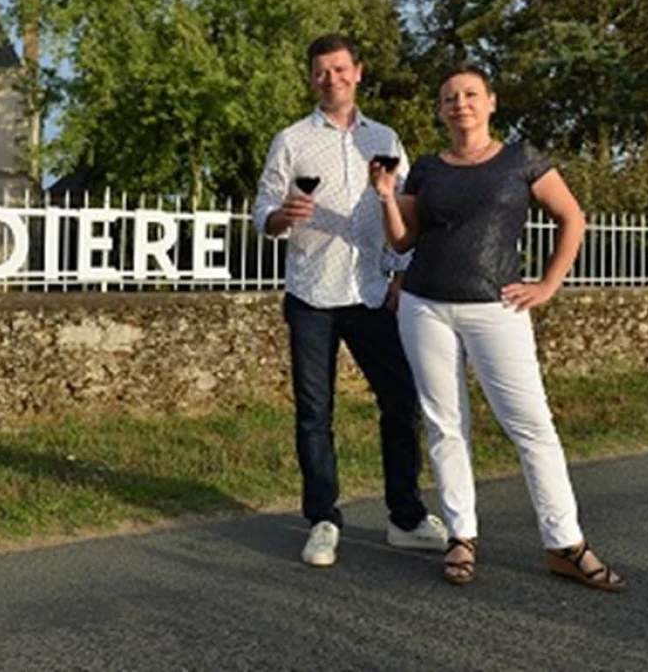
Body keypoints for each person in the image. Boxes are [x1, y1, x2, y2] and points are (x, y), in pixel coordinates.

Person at [368, 64, 625, 591]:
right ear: (440, 111)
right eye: (448, 98)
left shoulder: (521, 159)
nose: (458, 103)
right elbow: (401, 242)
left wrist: (548, 285)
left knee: (531, 425)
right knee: (445, 424)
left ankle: (565, 543)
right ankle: (461, 536)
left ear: (491, 101)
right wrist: (386, 197)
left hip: (497, 307)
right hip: (425, 305)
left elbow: (572, 218)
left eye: (469, 95)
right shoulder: (428, 168)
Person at [254, 33, 446, 567]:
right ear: (311, 78)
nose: (331, 79)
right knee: (315, 413)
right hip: (311, 293)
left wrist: (402, 275)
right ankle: (322, 519)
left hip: (372, 290)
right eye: (321, 72)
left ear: (358, 72)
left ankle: (405, 517)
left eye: (340, 70)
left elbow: (403, 213)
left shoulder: (384, 137)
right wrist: (278, 219)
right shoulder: (291, 140)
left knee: (401, 402)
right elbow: (262, 209)